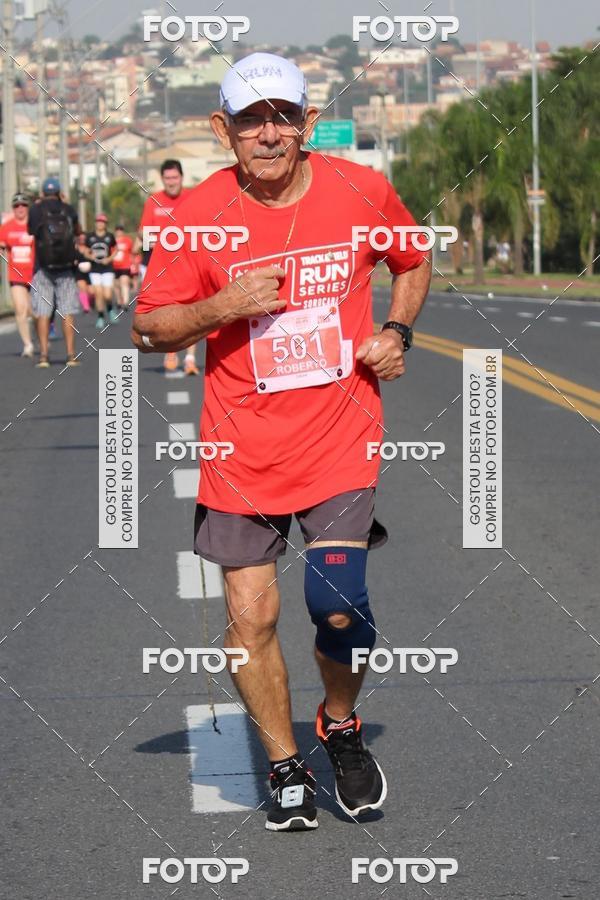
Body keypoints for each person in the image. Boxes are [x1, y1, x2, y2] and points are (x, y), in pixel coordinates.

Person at [132, 52, 431, 832]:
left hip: (341, 437)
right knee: (252, 620)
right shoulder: (196, 215)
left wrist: (396, 330)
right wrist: (223, 303)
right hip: (240, 452)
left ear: (305, 122)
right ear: (221, 129)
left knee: (337, 604)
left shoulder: (359, 188)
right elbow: (148, 327)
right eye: (251, 118)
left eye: (283, 116)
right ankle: (282, 757)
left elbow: (413, 256)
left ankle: (337, 721)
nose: (269, 132)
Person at [135, 159, 199, 375]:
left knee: (190, 310)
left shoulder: (193, 198)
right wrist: (159, 241)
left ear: (181, 177)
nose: (171, 182)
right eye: (167, 178)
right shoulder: (154, 201)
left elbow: (203, 228)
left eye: (175, 177)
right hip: (160, 265)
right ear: (162, 179)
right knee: (165, 310)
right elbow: (143, 233)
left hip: (188, 263)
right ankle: (171, 350)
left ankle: (190, 358)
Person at [28, 177, 81, 368]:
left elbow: (31, 232)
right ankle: (71, 355)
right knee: (67, 312)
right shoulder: (68, 209)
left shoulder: (36, 210)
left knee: (43, 311)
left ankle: (43, 356)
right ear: (59, 192)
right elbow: (77, 231)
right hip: (66, 268)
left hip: (43, 267)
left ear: (43, 193)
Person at [0, 192, 35, 357]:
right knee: (20, 309)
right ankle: (27, 345)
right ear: (13, 209)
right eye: (16, 206)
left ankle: (41, 333)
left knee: (34, 311)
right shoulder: (7, 227)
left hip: (36, 275)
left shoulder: (35, 225)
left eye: (23, 205)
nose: (20, 208)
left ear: (28, 207)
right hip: (16, 276)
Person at [82, 213, 117, 329]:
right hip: (95, 269)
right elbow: (85, 250)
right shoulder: (90, 236)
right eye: (98, 221)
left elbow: (116, 250)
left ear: (105, 224)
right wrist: (90, 256)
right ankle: (100, 317)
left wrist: (109, 259)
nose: (100, 224)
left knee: (107, 294)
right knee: (98, 293)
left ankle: (110, 309)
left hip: (107, 268)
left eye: (102, 222)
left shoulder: (109, 236)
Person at [113, 224, 133, 311]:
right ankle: (118, 301)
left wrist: (132, 263)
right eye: (117, 230)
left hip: (125, 265)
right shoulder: (112, 241)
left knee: (124, 283)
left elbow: (132, 252)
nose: (119, 231)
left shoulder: (127, 240)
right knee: (116, 285)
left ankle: (125, 302)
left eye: (121, 230)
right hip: (114, 266)